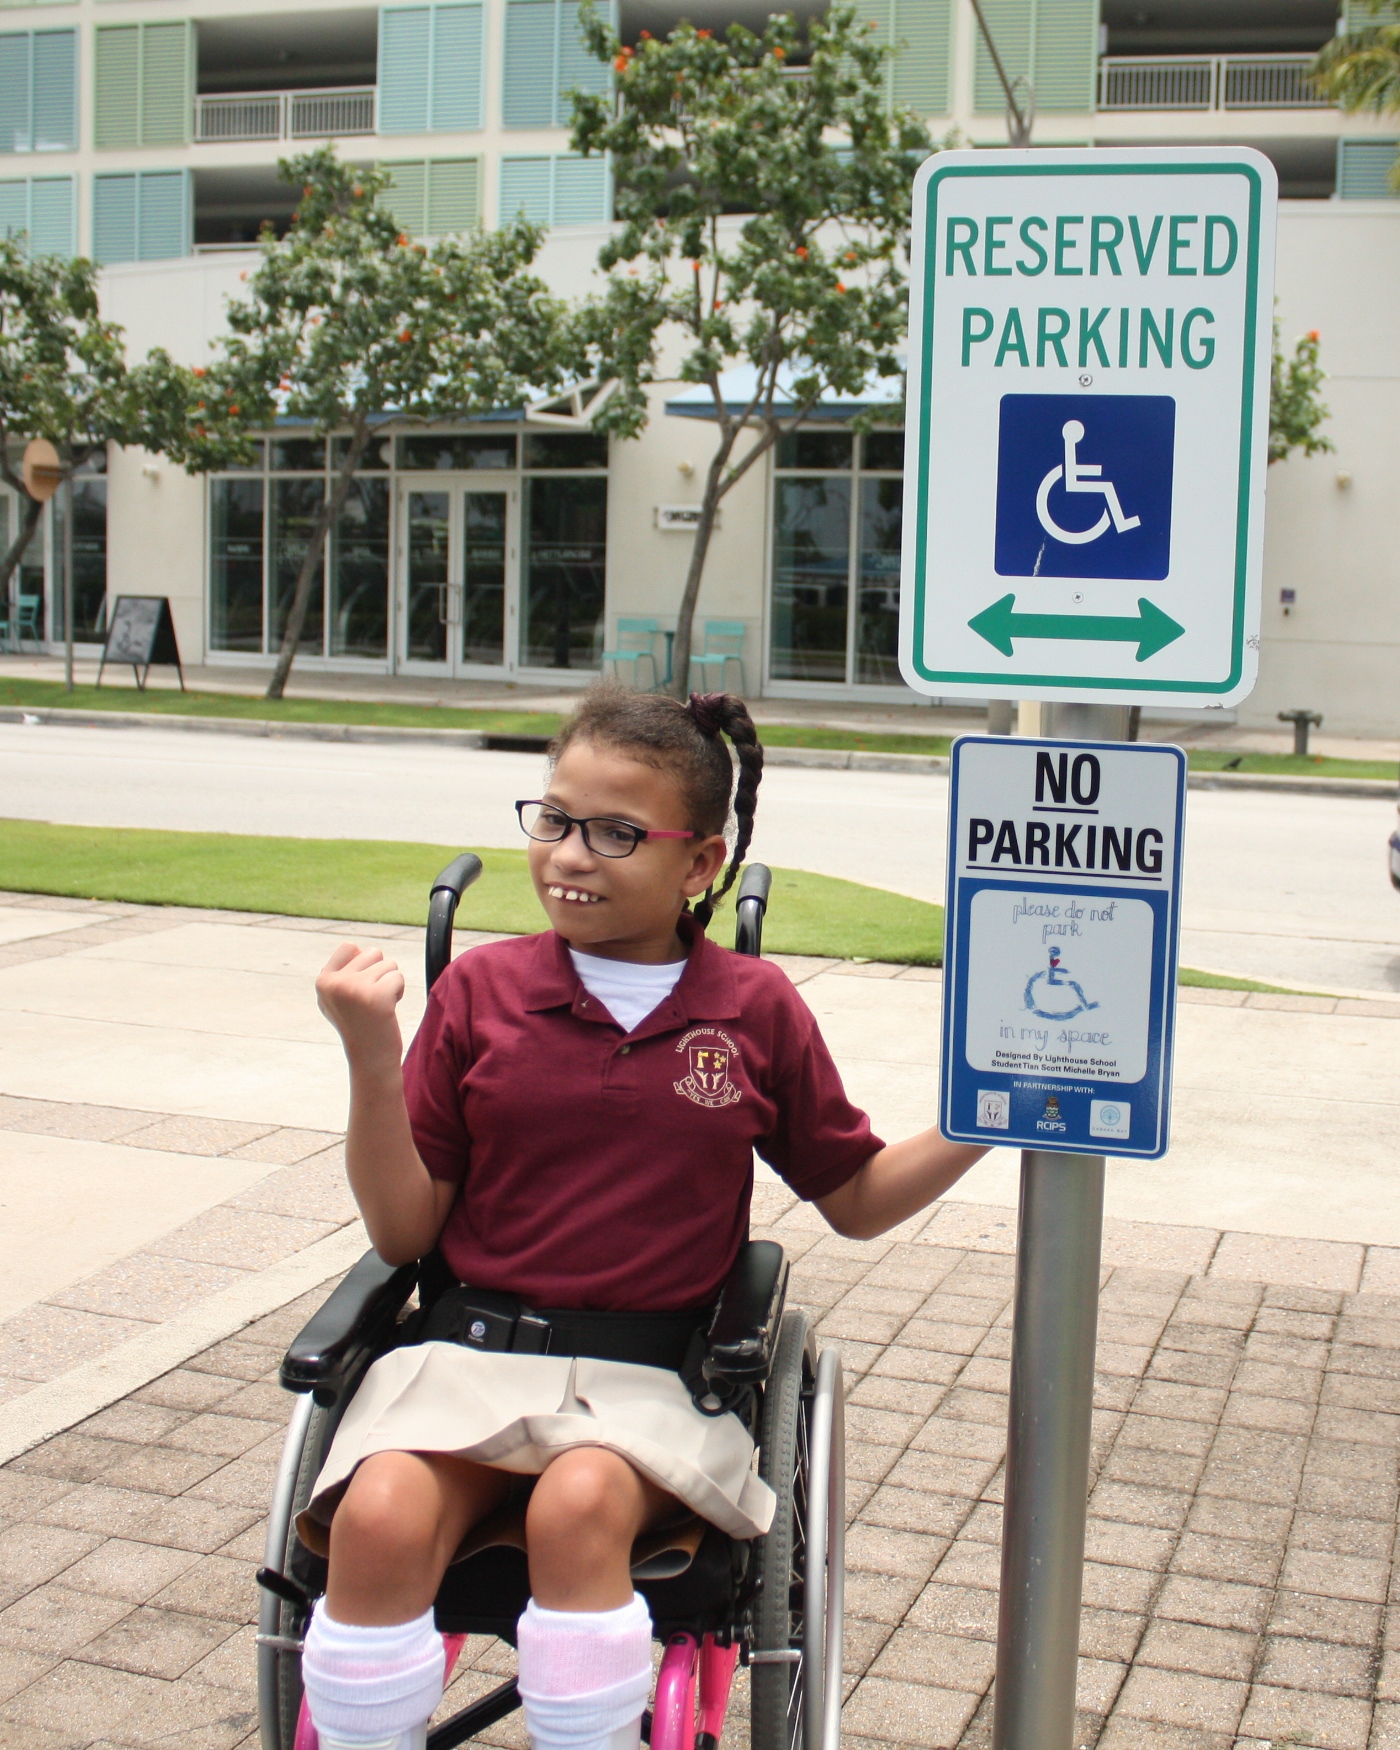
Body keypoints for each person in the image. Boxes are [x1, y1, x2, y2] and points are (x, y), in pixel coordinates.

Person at [299, 684, 988, 1750]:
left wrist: (990, 1112)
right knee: (379, 1511)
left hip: (651, 1380)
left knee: (576, 1504)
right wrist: (369, 1055)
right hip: (468, 1358)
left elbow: (855, 1198)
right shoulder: (480, 991)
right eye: (555, 820)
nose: (569, 856)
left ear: (699, 863)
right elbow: (402, 1233)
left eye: (616, 832)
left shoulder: (753, 1008)